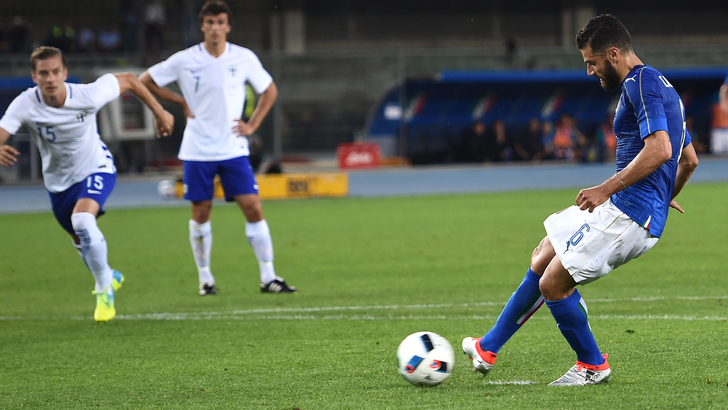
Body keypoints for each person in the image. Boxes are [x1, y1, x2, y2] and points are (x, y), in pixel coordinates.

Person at [462, 14, 699, 386]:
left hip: (628, 212)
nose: (589, 71)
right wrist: (663, 195)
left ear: (615, 54)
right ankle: (487, 347)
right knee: (543, 254)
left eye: (592, 62)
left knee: (553, 283)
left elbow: (661, 150)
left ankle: (592, 365)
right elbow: (689, 160)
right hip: (628, 205)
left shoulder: (641, 85)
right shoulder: (663, 87)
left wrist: (610, 189)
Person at [0, 46, 174, 321]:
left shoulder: (87, 95)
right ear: (34, 76)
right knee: (80, 240)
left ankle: (104, 289)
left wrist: (159, 111)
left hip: (97, 167)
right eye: (43, 73)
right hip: (58, 183)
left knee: (82, 221)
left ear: (64, 73)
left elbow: (129, 79)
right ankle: (107, 275)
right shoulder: (25, 104)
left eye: (56, 71)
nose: (50, 78)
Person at [139, 0, 296, 295]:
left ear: (228, 26)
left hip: (233, 148)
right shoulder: (185, 59)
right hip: (198, 149)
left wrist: (252, 125)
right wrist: (179, 101)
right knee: (201, 212)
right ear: (203, 26)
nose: (215, 28)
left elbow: (270, 90)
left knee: (253, 207)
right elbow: (145, 81)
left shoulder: (243, 57)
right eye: (210, 23)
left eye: (220, 22)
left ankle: (269, 277)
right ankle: (205, 278)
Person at [710, 75, 728, 155]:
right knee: (716, 155)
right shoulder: (716, 97)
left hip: (727, 130)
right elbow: (719, 109)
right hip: (717, 130)